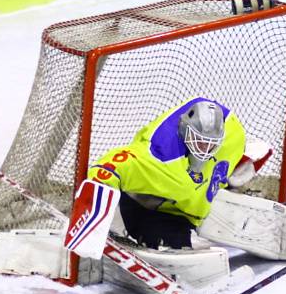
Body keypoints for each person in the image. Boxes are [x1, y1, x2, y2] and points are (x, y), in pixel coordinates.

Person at [88, 97, 247, 249]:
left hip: (184, 213)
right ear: (185, 130)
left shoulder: (233, 135)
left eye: (210, 144)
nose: (204, 149)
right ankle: (121, 227)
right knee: (175, 251)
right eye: (199, 140)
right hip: (147, 209)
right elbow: (107, 167)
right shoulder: (159, 154)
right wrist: (91, 216)